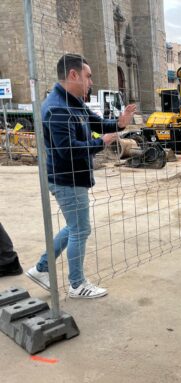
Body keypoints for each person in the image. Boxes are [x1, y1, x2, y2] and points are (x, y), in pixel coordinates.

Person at [26, 53, 136, 299]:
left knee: (75, 227)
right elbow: (67, 150)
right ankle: (77, 284)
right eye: (88, 76)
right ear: (73, 75)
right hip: (67, 178)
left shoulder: (74, 102)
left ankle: (41, 268)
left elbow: (96, 123)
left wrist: (119, 124)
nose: (90, 82)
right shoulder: (57, 107)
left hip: (74, 177)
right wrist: (101, 142)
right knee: (80, 230)